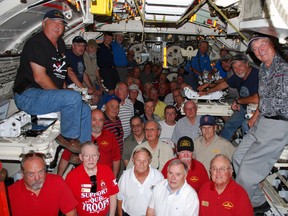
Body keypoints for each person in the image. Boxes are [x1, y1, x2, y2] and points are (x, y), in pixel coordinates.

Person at [12, 10, 91, 154]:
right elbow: (40, 78)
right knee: (72, 98)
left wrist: (65, 90)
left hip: (46, 95)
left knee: (84, 108)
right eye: (53, 22)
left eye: (61, 23)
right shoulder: (37, 43)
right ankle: (69, 138)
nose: (58, 25)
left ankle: (84, 150)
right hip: (28, 95)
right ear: (43, 23)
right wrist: (64, 95)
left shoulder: (60, 44)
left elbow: (61, 72)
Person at [233, 35, 288, 214]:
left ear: (273, 44)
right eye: (255, 49)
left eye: (263, 44)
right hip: (262, 120)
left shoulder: (285, 64)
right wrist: (256, 115)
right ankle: (258, 202)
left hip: (278, 124)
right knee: (238, 157)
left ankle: (241, 209)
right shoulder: (264, 68)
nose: (259, 50)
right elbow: (262, 96)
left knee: (246, 175)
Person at [199, 54, 259, 141]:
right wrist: (206, 92)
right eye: (234, 67)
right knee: (229, 125)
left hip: (258, 109)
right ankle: (220, 148)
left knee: (245, 126)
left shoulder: (257, 75)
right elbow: (223, 85)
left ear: (247, 64)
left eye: (239, 66)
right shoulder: (237, 76)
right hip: (244, 107)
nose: (237, 70)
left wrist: (238, 101)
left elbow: (256, 98)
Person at [8, 152, 77, 216]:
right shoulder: (10, 193)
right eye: (31, 174)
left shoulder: (57, 182)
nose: (37, 178)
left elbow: (71, 213)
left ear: (45, 170)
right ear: (22, 174)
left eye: (40, 172)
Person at [66, 142, 119, 216]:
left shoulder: (107, 171)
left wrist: (112, 214)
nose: (91, 159)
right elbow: (69, 204)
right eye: (87, 156)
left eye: (94, 155)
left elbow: (113, 193)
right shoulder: (72, 177)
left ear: (98, 156)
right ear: (81, 157)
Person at [117, 147, 163, 216]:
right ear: (133, 160)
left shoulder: (158, 176)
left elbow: (162, 201)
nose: (141, 164)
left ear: (149, 161)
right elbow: (120, 199)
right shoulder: (125, 176)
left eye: (145, 161)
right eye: (138, 160)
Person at [91, 109, 121, 177]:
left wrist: (114, 178)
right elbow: (66, 157)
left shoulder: (110, 137)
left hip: (106, 176)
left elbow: (116, 159)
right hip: (85, 176)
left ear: (104, 122)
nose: (97, 123)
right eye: (94, 119)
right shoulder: (82, 136)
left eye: (100, 120)